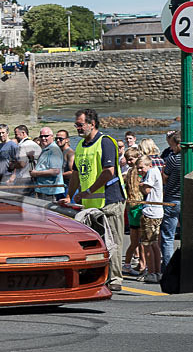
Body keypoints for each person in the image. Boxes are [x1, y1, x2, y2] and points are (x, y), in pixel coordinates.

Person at [59, 108, 127, 292]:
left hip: (110, 201)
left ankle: (115, 278)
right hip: (90, 204)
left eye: (80, 125)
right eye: (76, 125)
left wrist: (88, 191)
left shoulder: (106, 143)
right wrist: (68, 195)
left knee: (113, 240)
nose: (78, 128)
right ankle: (98, 276)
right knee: (95, 242)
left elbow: (108, 172)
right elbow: (76, 174)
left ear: (92, 124)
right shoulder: (80, 145)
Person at [160, 131, 193, 273]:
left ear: (179, 145)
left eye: (173, 146)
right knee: (189, 235)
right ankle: (189, 266)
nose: (171, 149)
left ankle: (168, 268)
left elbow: (165, 177)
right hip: (189, 200)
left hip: (172, 199)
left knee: (168, 237)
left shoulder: (173, 160)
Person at [136, 155, 163, 284]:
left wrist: (140, 184)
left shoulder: (151, 172)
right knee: (154, 243)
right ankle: (157, 271)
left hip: (151, 212)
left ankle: (152, 272)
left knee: (147, 244)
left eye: (141, 168)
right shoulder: (156, 171)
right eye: (138, 168)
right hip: (157, 212)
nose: (139, 170)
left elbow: (146, 190)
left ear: (149, 165)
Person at [122, 147, 145, 277]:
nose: (129, 161)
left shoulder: (129, 172)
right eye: (128, 159)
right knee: (141, 241)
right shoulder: (137, 173)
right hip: (137, 207)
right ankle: (142, 264)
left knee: (134, 241)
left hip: (130, 206)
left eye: (131, 159)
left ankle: (127, 264)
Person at [30, 127, 64, 200]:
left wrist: (36, 173)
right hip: (44, 191)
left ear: (52, 136)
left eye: (46, 136)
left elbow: (55, 171)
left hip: (50, 193)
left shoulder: (54, 150)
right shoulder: (47, 149)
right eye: (41, 136)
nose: (43, 138)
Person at [10, 125, 41, 190]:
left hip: (23, 179)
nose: (15, 137)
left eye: (16, 134)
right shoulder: (35, 145)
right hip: (34, 178)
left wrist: (12, 165)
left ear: (23, 133)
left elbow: (22, 164)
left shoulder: (22, 145)